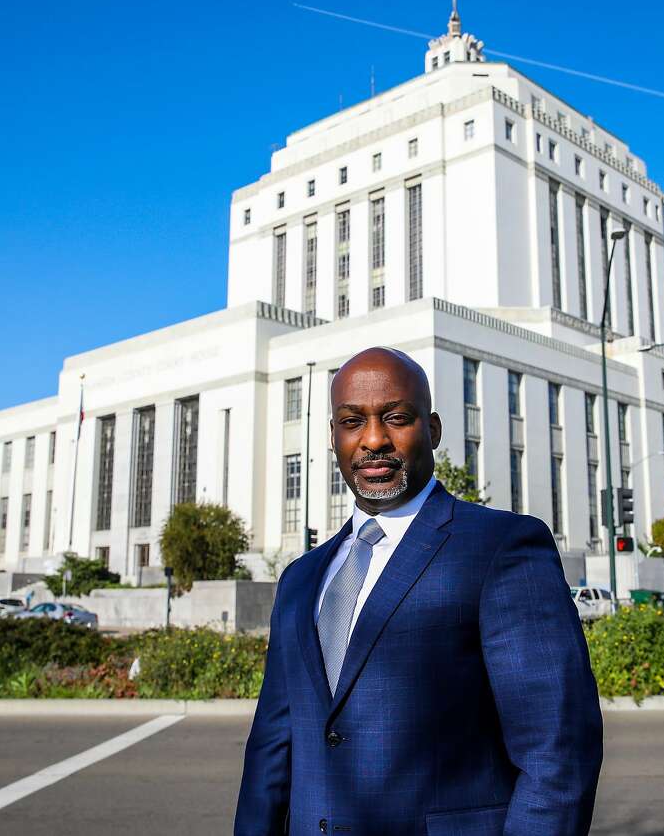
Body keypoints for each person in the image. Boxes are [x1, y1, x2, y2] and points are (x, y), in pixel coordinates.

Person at [235, 348, 602, 835]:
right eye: (352, 422)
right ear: (333, 436)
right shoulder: (301, 579)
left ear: (432, 430)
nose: (373, 440)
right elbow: (273, 747)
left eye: (396, 418)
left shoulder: (502, 548)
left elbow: (557, 750)